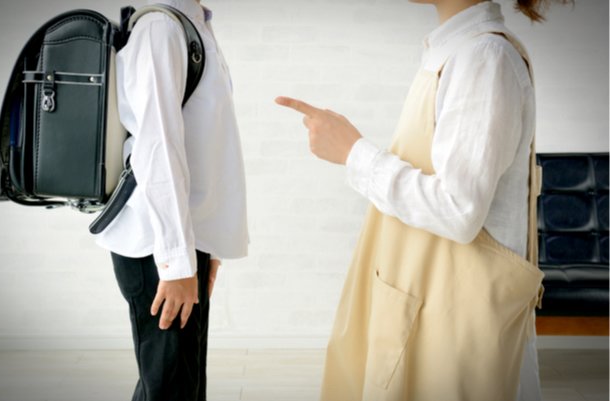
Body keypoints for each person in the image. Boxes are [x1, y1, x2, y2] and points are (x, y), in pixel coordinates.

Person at [276, 0, 568, 400]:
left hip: (457, 321)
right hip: (434, 307)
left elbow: (459, 209)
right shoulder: (453, 52)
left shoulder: (483, 58)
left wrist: (353, 153)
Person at [94, 0, 249, 400]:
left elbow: (205, 145)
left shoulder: (193, 23)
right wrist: (176, 262)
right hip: (159, 244)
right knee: (170, 389)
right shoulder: (160, 29)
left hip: (182, 238)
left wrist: (206, 249)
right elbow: (157, 147)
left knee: (182, 386)